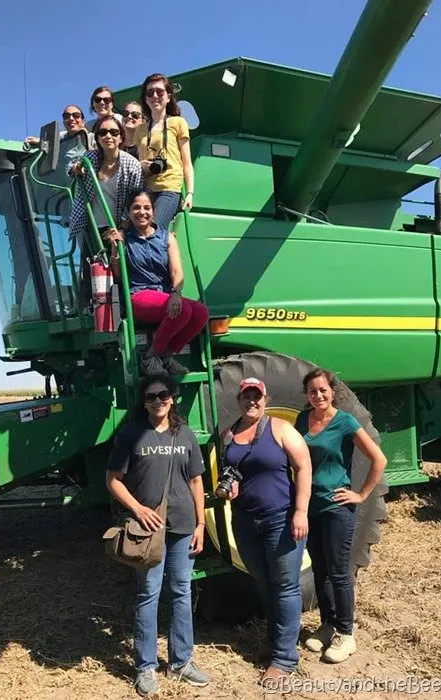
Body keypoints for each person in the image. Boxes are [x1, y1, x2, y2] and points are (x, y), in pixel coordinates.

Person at [106, 374, 210, 696]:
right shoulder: (132, 434)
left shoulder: (186, 433)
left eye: (163, 395)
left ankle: (181, 662)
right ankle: (146, 667)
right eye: (151, 397)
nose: (158, 401)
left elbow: (196, 481)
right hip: (148, 531)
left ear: (172, 398)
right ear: (144, 402)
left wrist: (201, 524)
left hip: (183, 527)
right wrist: (138, 509)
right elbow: (113, 479)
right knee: (148, 594)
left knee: (181, 591)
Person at [223, 378, 312, 685]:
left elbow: (303, 467)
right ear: (239, 399)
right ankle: (276, 642)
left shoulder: (280, 429)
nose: (252, 401)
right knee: (264, 582)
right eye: (247, 396)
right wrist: (229, 488)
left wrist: (300, 512)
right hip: (245, 521)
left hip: (280, 518)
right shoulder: (229, 434)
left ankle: (286, 658)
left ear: (266, 398)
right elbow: (228, 472)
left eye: (257, 396)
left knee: (285, 586)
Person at [295, 368, 387, 663]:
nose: (318, 395)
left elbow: (379, 459)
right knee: (320, 570)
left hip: (337, 509)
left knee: (338, 572)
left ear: (332, 391)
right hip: (311, 507)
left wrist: (360, 494)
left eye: (323, 390)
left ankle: (346, 635)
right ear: (307, 395)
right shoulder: (301, 419)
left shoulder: (345, 422)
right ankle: (327, 625)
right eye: (312, 391)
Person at [103, 189, 209, 377]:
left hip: (166, 295)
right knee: (183, 310)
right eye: (136, 207)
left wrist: (176, 294)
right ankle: (150, 358)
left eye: (146, 207)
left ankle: (166, 357)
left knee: (201, 312)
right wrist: (114, 248)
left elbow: (177, 271)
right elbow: (119, 276)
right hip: (138, 295)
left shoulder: (167, 237)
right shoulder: (124, 237)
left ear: (153, 211)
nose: (141, 212)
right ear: (129, 211)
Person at [69, 116, 143, 247]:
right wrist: (76, 168)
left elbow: (134, 200)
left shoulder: (132, 165)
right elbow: (71, 168)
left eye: (114, 132)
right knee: (93, 266)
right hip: (92, 228)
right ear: (97, 138)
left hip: (119, 228)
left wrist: (121, 231)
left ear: (121, 137)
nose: (108, 136)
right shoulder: (90, 158)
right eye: (103, 132)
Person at [135, 73, 194, 229]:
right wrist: (142, 164)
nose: (155, 96)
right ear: (145, 99)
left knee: (152, 228)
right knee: (140, 233)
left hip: (169, 188)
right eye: (150, 93)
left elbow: (187, 163)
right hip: (146, 190)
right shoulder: (140, 130)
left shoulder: (178, 122)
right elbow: (141, 161)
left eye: (160, 92)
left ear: (168, 97)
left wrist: (189, 193)